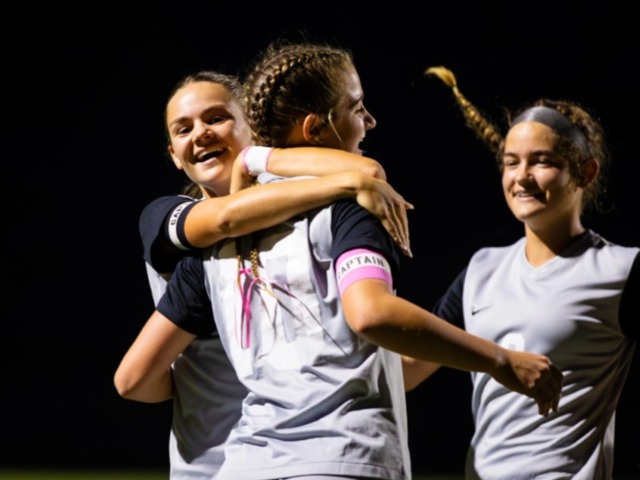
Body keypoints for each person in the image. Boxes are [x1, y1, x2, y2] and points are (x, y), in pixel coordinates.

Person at [117, 42, 562, 480]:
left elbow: (366, 364)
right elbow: (369, 312)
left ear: (251, 128)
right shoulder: (337, 208)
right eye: (356, 106)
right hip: (336, 454)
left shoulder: (207, 257)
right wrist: (501, 361)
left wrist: (460, 321)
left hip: (246, 459)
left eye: (217, 118)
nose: (369, 119)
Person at [128, 70, 413, 479]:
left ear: (253, 128)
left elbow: (368, 172)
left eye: (216, 118)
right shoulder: (166, 221)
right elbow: (225, 219)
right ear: (173, 153)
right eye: (183, 128)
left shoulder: (302, 219)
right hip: (216, 462)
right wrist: (199, 394)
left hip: (290, 451)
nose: (201, 134)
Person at [421, 65, 639, 479]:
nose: (522, 177)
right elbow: (408, 369)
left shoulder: (622, 269)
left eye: (542, 162)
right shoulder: (482, 268)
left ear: (585, 172)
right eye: (510, 162)